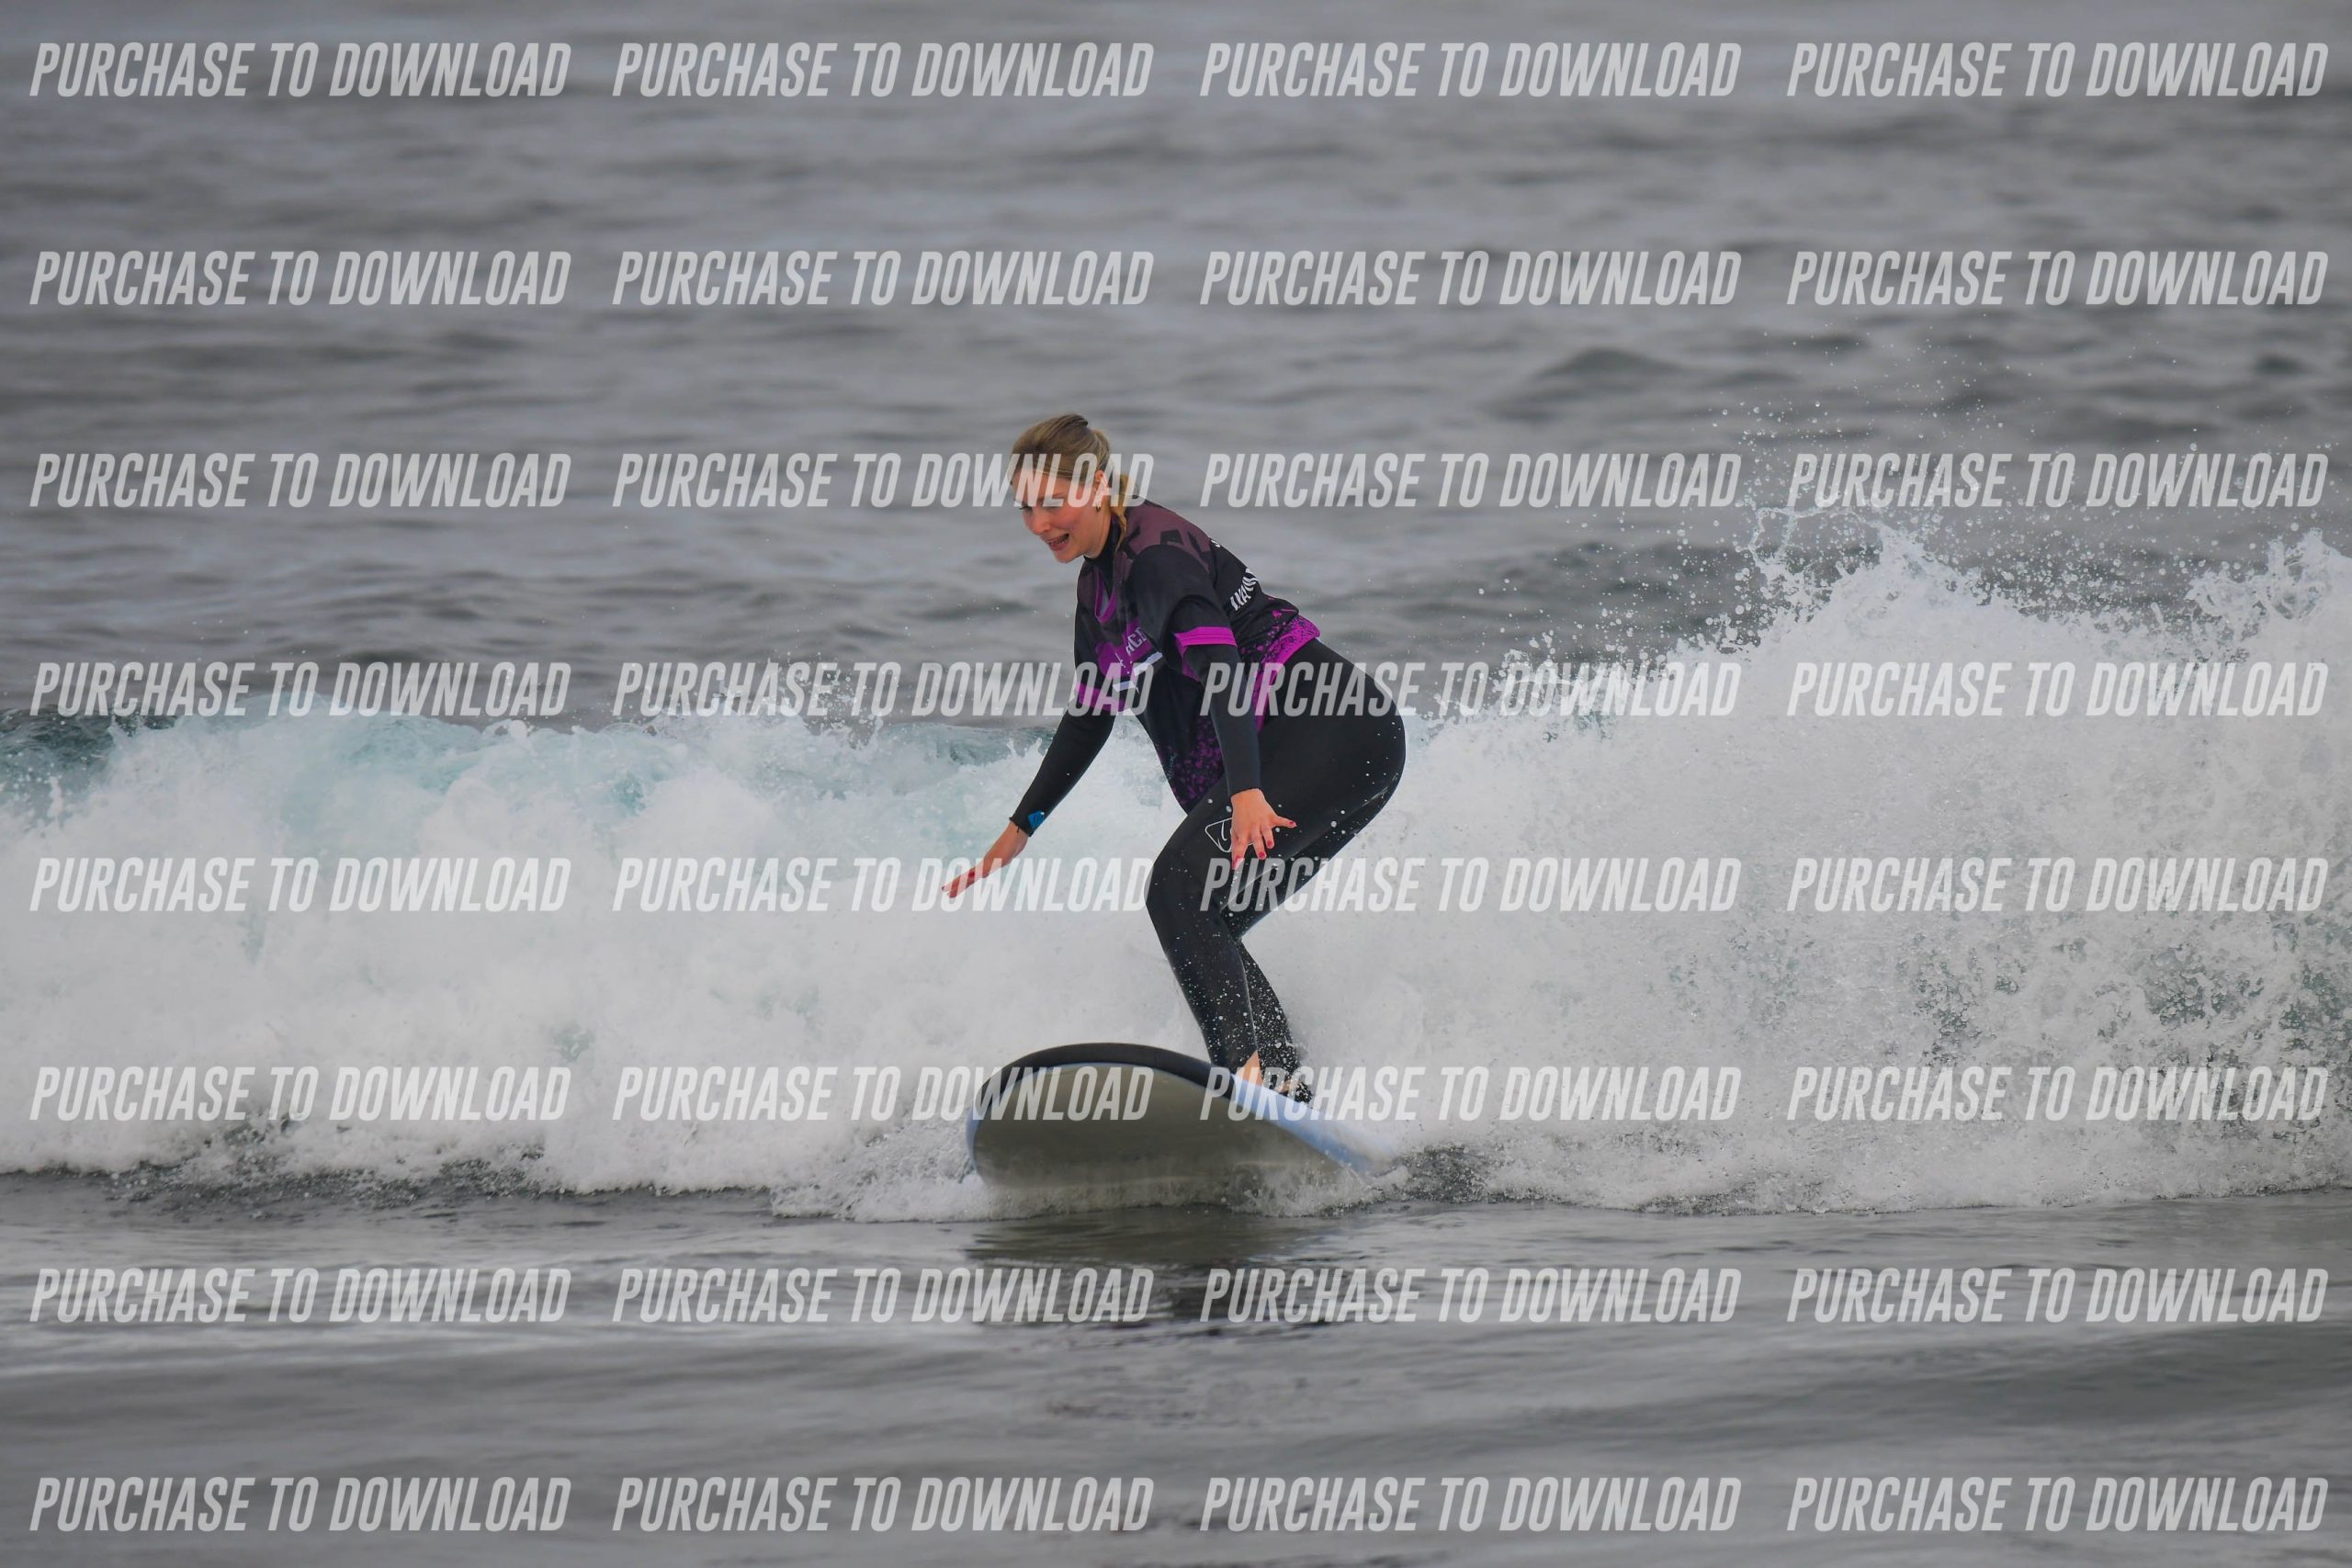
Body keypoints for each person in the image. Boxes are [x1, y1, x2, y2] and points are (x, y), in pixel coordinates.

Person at [945, 414, 1407, 1099]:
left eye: (1052, 502)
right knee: (1206, 918)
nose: (1039, 524)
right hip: (1323, 744)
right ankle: (1285, 1095)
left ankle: (1245, 1088)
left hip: (1335, 730)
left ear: (1096, 487)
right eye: (1025, 507)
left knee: (1178, 890)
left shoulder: (1156, 557)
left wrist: (1247, 792)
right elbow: (1090, 715)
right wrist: (1020, 829)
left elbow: (1222, 669)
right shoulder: (1099, 589)